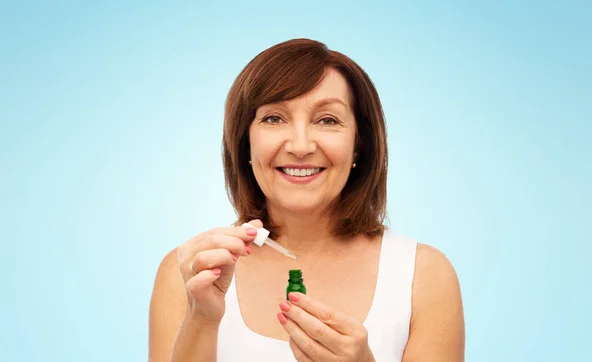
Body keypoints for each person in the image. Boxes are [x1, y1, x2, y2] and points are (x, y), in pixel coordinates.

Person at [149, 38, 464, 362]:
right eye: (274, 118)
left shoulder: (423, 276)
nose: (300, 146)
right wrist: (200, 319)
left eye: (327, 120)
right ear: (245, 144)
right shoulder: (189, 273)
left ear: (359, 145)